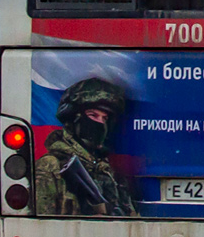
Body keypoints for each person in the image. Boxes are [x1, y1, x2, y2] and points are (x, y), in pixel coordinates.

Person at [34, 77, 138, 217]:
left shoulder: (107, 170)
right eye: (93, 115)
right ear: (74, 118)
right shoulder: (51, 165)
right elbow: (41, 223)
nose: (100, 123)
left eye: (104, 118)